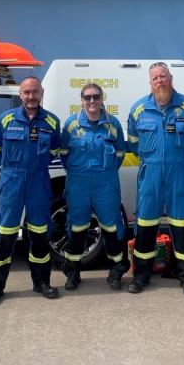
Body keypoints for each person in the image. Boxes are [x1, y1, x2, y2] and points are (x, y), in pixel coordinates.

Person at [126, 62, 184, 296]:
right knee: (145, 224)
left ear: (170, 78)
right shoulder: (139, 108)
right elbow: (133, 142)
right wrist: (149, 159)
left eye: (163, 76)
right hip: (150, 174)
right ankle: (141, 276)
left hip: (179, 173)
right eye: (155, 78)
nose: (160, 81)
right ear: (150, 82)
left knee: (182, 224)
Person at [0, 76, 61, 307]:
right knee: (4, 236)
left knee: (39, 235)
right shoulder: (6, 120)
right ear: (20, 94)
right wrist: (10, 169)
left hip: (39, 182)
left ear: (41, 93)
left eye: (35, 92)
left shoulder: (52, 123)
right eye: (26, 92)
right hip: (12, 183)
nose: (30, 96)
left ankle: (41, 283)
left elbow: (55, 150)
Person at [58, 83, 131, 290]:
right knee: (77, 226)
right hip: (78, 183)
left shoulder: (112, 124)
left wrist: (105, 173)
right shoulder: (71, 124)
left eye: (96, 97)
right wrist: (76, 172)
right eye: (87, 97)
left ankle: (117, 269)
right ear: (81, 100)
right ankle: (72, 271)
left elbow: (119, 154)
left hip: (105, 183)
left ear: (102, 99)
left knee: (112, 226)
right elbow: (64, 154)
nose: (92, 101)